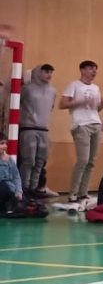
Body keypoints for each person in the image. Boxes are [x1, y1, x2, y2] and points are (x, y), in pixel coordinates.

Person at [58, 60, 103, 210]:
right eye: (91, 68)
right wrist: (78, 102)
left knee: (91, 161)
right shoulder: (74, 85)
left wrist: (102, 104)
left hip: (95, 123)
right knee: (83, 160)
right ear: (83, 70)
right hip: (81, 124)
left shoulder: (96, 88)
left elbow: (94, 109)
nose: (94, 71)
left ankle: (83, 193)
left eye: (95, 69)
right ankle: (73, 193)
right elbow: (62, 104)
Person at [18, 64, 55, 200]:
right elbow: (15, 102)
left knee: (40, 161)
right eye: (46, 71)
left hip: (44, 129)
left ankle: (34, 187)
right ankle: (24, 188)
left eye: (50, 72)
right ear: (38, 72)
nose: (49, 74)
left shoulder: (52, 91)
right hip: (28, 128)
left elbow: (51, 107)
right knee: (28, 160)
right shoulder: (27, 89)